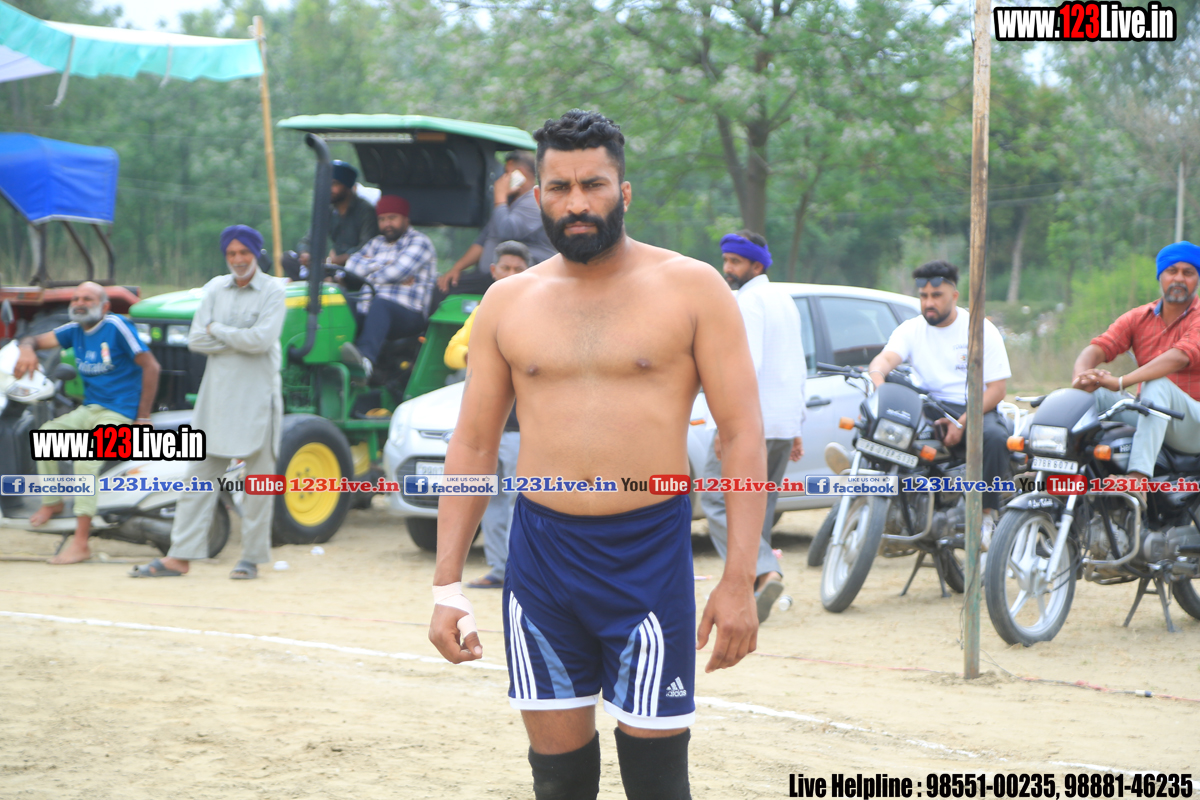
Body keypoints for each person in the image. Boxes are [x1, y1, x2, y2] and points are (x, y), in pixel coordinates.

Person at [428, 110, 764, 800]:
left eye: (593, 185)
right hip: (542, 561)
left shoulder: (693, 288)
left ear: (624, 192)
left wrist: (739, 580)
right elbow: (474, 444)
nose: (576, 202)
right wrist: (446, 586)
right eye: (559, 187)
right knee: (558, 782)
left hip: (648, 556)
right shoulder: (506, 301)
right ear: (538, 196)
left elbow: (741, 434)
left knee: (658, 783)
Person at [129, 225, 286, 579]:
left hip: (259, 398)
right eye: (231, 253)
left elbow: (262, 341)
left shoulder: (274, 290)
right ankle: (179, 556)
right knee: (197, 479)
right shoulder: (215, 287)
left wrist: (218, 330)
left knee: (258, 484)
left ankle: (250, 559)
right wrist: (236, 338)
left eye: (244, 252)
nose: (238, 259)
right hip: (216, 398)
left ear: (256, 254)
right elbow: (196, 341)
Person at [866, 260, 1012, 548]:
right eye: (924, 296)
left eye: (936, 296)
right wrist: (877, 380)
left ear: (954, 296)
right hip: (928, 406)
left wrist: (963, 422)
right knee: (886, 422)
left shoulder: (980, 330)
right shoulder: (911, 329)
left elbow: (997, 390)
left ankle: (985, 516)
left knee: (995, 437)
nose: (929, 303)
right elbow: (884, 360)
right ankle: (875, 487)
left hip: (972, 407)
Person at [700, 230, 805, 623]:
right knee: (758, 506)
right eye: (726, 260)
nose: (727, 268)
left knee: (716, 497)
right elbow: (798, 364)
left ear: (756, 266)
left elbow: (745, 368)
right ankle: (757, 585)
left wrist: (723, 426)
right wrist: (796, 424)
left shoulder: (747, 302)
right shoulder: (784, 299)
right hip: (780, 422)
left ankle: (765, 570)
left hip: (749, 425)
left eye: (735, 262)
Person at [14, 282, 160, 564]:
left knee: (85, 459)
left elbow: (151, 365)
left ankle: (81, 543)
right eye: (76, 298)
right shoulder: (74, 329)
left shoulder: (116, 326)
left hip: (119, 412)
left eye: (88, 299)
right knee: (46, 436)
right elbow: (35, 339)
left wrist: (143, 417)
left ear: (104, 306)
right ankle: (53, 502)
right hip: (90, 409)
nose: (80, 303)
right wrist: (26, 349)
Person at [1071, 241, 1200, 490]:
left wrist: (1121, 382)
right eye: (1172, 271)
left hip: (1193, 424)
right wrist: (1081, 377)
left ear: (1197, 279)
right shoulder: (1138, 317)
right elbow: (1098, 348)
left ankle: (1137, 480)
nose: (1179, 278)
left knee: (1157, 383)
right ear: (1160, 276)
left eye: (1188, 272)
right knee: (1092, 393)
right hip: (1152, 414)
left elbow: (1180, 356)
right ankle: (1052, 469)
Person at [443, 240, 532, 589]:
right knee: (490, 502)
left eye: (518, 269)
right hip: (487, 431)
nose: (510, 274)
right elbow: (453, 351)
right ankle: (498, 570)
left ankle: (521, 574)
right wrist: (477, 356)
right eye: (505, 268)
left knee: (520, 503)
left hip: (524, 429)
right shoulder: (483, 311)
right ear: (493, 271)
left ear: (529, 272)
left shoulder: (539, 309)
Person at [338, 194, 437, 379]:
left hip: (408, 314)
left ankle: (365, 360)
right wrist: (385, 265)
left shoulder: (419, 242)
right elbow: (351, 267)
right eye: (382, 219)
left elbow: (395, 272)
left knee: (381, 304)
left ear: (405, 219)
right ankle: (336, 357)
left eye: (392, 218)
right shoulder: (376, 242)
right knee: (341, 301)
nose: (387, 224)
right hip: (369, 309)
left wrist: (370, 268)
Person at [435, 151, 555, 298]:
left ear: (520, 173)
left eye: (506, 172)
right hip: (489, 273)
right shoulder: (508, 203)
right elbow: (484, 239)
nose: (502, 178)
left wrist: (500, 196)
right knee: (441, 287)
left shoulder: (533, 201)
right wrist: (457, 268)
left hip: (520, 276)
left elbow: (507, 232)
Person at [283, 160, 379, 280]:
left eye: (334, 184)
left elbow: (366, 247)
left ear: (347, 186)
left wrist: (338, 260)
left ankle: (326, 281)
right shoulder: (328, 210)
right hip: (330, 266)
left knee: (351, 272)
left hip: (354, 267)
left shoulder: (365, 210)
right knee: (288, 258)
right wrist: (305, 254)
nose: (329, 189)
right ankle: (323, 280)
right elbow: (308, 239)